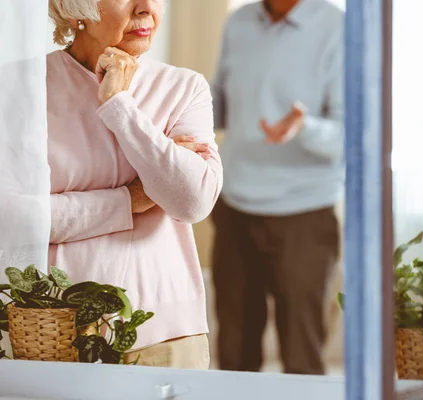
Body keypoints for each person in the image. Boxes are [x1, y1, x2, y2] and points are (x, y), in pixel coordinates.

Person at [46, 0, 222, 368]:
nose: (146, 7)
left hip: (167, 336)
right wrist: (132, 199)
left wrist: (119, 105)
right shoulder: (21, 89)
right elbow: (16, 217)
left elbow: (192, 202)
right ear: (76, 7)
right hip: (50, 331)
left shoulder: (185, 87)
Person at [211, 0, 344, 375]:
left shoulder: (337, 28)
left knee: (302, 355)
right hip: (235, 206)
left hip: (303, 214)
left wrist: (304, 127)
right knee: (234, 355)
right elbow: (218, 105)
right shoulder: (238, 22)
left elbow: (353, 136)